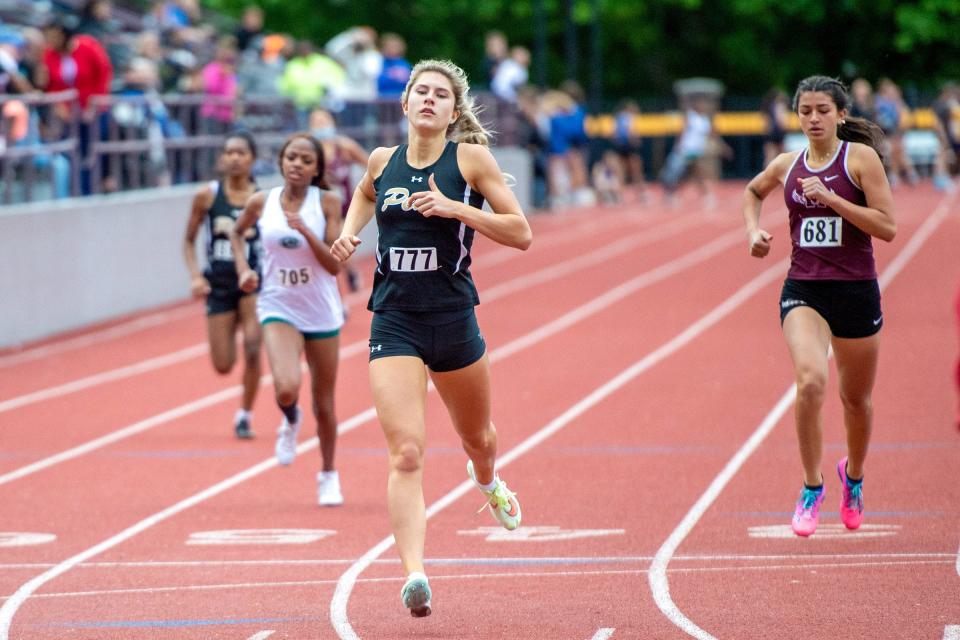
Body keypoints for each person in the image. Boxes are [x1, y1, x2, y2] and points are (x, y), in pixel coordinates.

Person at [330, 59, 531, 617]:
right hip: (394, 320)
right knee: (407, 451)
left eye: (440, 95)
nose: (428, 100)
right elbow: (367, 195)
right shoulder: (381, 161)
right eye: (420, 91)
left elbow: (521, 232)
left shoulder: (468, 160)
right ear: (405, 103)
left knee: (478, 439)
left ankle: (488, 481)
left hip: (453, 319)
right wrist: (350, 234)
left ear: (452, 111)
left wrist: (453, 207)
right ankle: (415, 574)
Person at [741, 75, 896, 538]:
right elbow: (752, 192)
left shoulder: (860, 160)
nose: (813, 118)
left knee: (856, 400)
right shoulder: (787, 165)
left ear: (841, 115)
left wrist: (832, 199)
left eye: (822, 110)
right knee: (810, 382)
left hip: (855, 290)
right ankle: (812, 487)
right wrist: (752, 230)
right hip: (804, 290)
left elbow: (887, 227)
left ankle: (855, 477)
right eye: (805, 110)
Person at [230, 132, 346, 507]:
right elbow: (235, 233)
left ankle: (328, 473)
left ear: (316, 169)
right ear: (281, 162)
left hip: (321, 308)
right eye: (291, 157)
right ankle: (290, 419)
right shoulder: (261, 201)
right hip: (277, 303)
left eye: (305, 160)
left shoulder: (327, 201)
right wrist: (243, 269)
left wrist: (306, 232)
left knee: (325, 404)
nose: (297, 164)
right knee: (285, 387)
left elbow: (334, 265)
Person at [182, 131, 262, 439]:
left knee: (253, 348)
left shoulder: (263, 199)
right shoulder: (207, 196)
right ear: (221, 159)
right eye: (229, 152)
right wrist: (195, 275)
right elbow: (188, 242)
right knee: (223, 364)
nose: (234, 158)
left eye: (241, 152)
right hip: (219, 283)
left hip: (253, 281)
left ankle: (245, 414)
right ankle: (236, 330)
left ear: (252, 159)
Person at [309, 107, 369, 295]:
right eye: (316, 123)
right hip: (317, 208)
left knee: (338, 240)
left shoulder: (344, 147)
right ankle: (333, 283)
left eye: (324, 121)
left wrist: (367, 190)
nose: (321, 126)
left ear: (333, 123)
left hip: (342, 208)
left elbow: (372, 165)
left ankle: (349, 272)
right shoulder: (309, 149)